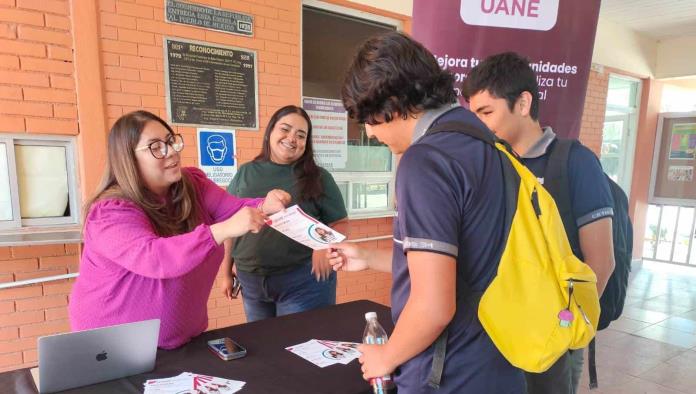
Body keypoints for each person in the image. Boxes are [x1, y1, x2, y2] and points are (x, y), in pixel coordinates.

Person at [329, 31, 525, 393]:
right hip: (501, 360)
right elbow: (463, 264)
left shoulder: (427, 161)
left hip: (450, 372)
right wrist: (369, 257)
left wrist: (385, 356)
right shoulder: (494, 148)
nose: (371, 135)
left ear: (391, 103)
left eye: (368, 120)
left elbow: (434, 306)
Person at [68, 110, 290, 349]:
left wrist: (264, 205)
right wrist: (219, 231)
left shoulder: (192, 185)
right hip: (111, 347)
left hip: (182, 340)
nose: (172, 151)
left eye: (171, 141)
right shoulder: (110, 213)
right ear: (127, 159)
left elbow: (233, 209)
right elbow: (155, 258)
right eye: (156, 147)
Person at [462, 52, 615, 394]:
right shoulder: (491, 166)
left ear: (523, 103)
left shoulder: (575, 162)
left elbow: (601, 262)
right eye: (474, 115)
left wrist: (565, 330)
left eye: (486, 112)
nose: (479, 124)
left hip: (552, 339)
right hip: (498, 334)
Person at [223, 105, 348, 322]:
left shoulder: (318, 177)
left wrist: (324, 246)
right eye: (285, 129)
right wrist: (225, 271)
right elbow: (230, 224)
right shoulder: (245, 172)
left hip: (302, 281)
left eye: (301, 135)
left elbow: (341, 222)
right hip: (251, 282)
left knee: (301, 348)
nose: (292, 138)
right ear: (270, 131)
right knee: (264, 348)